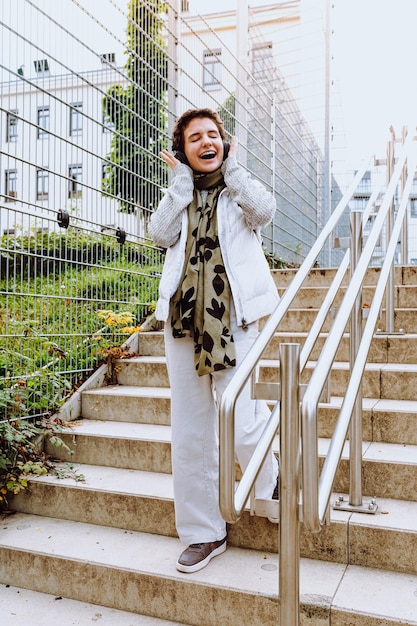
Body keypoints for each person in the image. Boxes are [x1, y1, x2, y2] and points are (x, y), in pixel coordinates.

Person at [148, 108, 279, 574]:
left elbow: (266, 211)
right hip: (183, 325)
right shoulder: (179, 195)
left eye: (212, 135)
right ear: (182, 151)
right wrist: (179, 187)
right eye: (194, 138)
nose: (205, 142)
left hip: (234, 321)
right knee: (190, 432)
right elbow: (158, 233)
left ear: (224, 141)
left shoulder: (239, 189)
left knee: (241, 419)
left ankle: (271, 476)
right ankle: (204, 533)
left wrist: (236, 170)